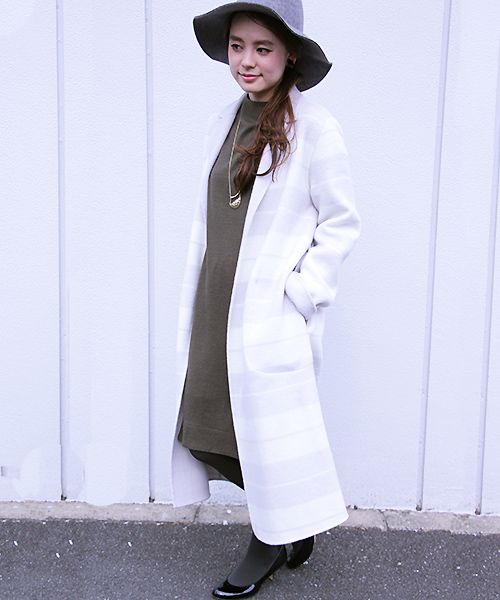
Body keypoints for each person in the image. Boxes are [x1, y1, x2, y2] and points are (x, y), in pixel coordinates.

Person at [169, 0, 361, 597]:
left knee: (265, 430)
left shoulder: (316, 129)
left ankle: (270, 538)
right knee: (210, 421)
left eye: (262, 48)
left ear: (290, 54)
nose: (246, 61)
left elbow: (341, 223)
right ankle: (290, 526)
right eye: (237, 47)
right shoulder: (224, 120)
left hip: (266, 309)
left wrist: (299, 292)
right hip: (215, 302)